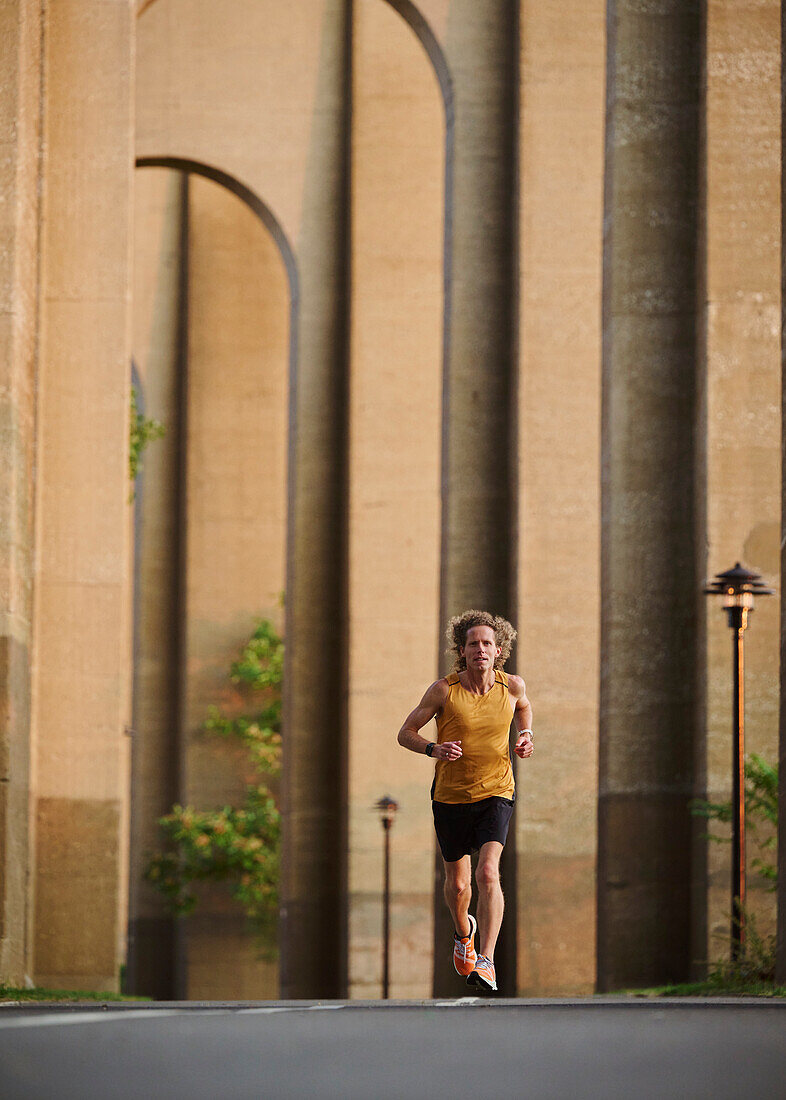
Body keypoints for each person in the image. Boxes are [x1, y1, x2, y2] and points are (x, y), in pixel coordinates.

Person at [397, 610, 534, 994]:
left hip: (497, 791)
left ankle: (487, 960)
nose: (480, 649)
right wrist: (433, 748)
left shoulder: (512, 687)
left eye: (487, 643)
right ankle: (464, 934)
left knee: (488, 873)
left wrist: (526, 735)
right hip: (451, 797)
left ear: (499, 650)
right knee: (458, 887)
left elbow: (523, 709)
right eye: (473, 643)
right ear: (462, 650)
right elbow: (405, 733)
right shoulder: (444, 690)